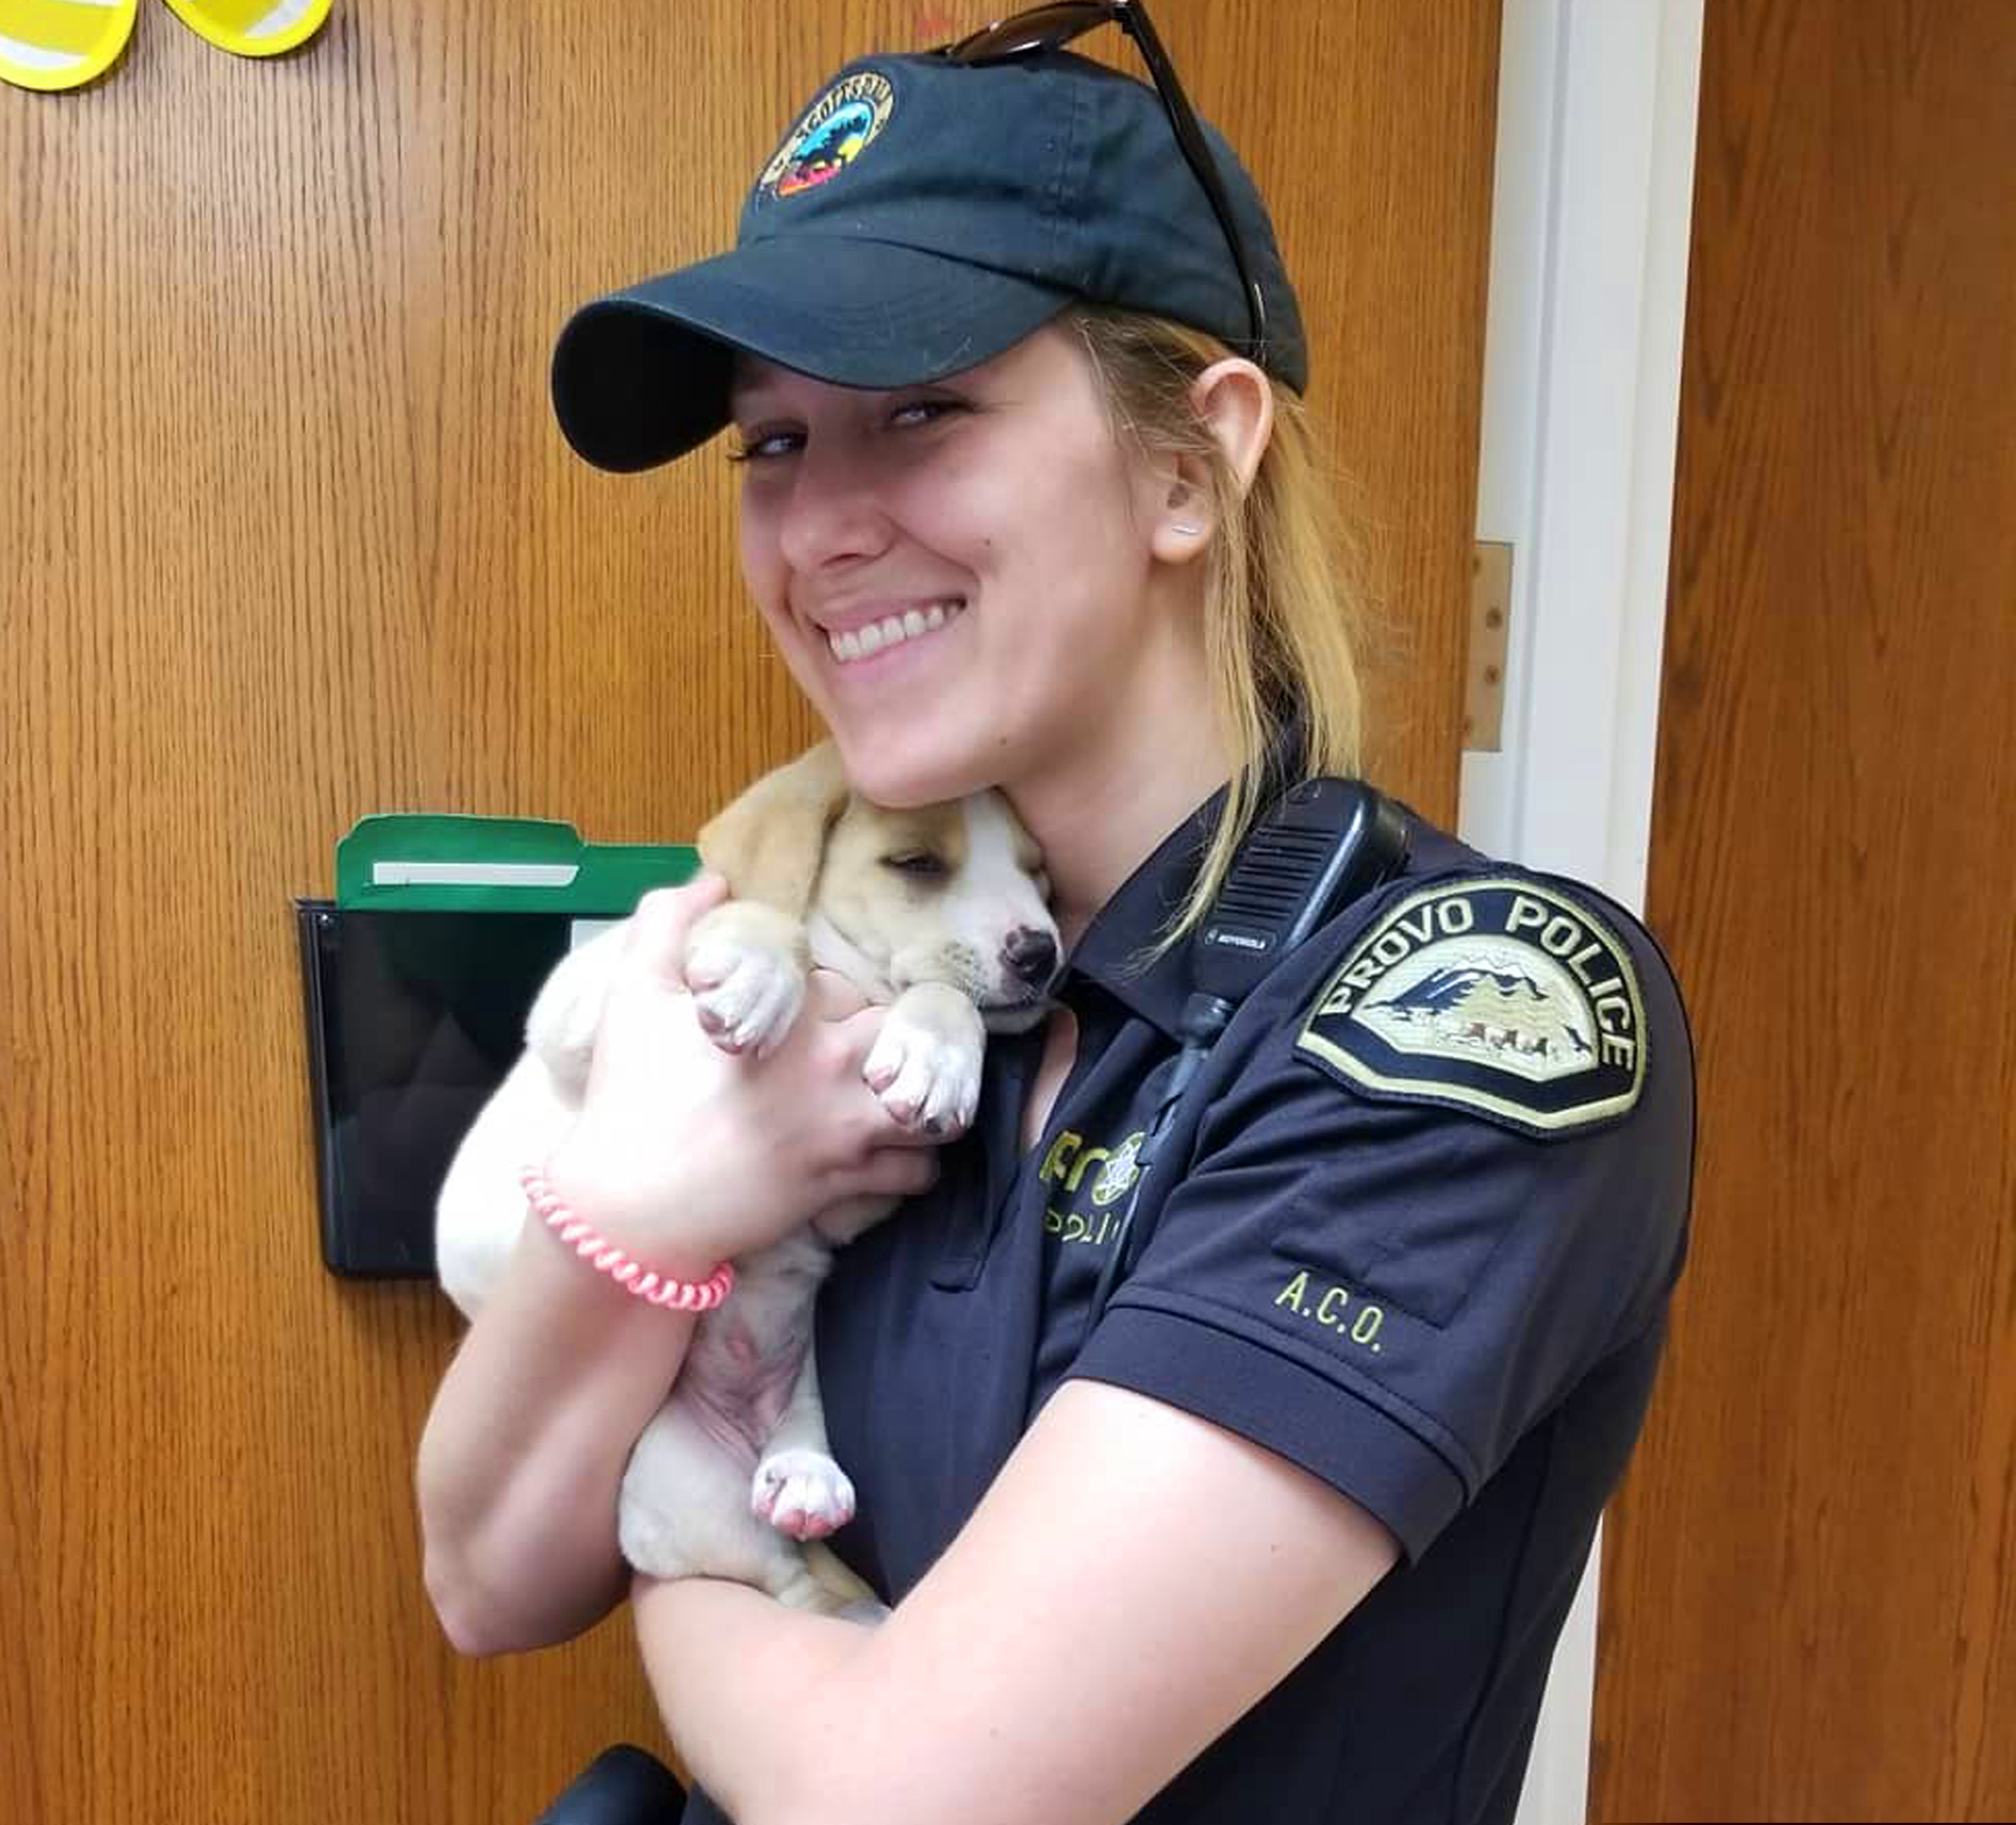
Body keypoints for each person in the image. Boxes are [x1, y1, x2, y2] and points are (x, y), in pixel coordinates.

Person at [414, 13, 1694, 1825]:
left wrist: (687, 1561)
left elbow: (905, 1806)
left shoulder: (1462, 1026)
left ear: (1193, 462)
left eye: (922, 407)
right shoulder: (831, 957)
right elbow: (483, 1574)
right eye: (770, 442)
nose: (820, 528)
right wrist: (674, 1195)